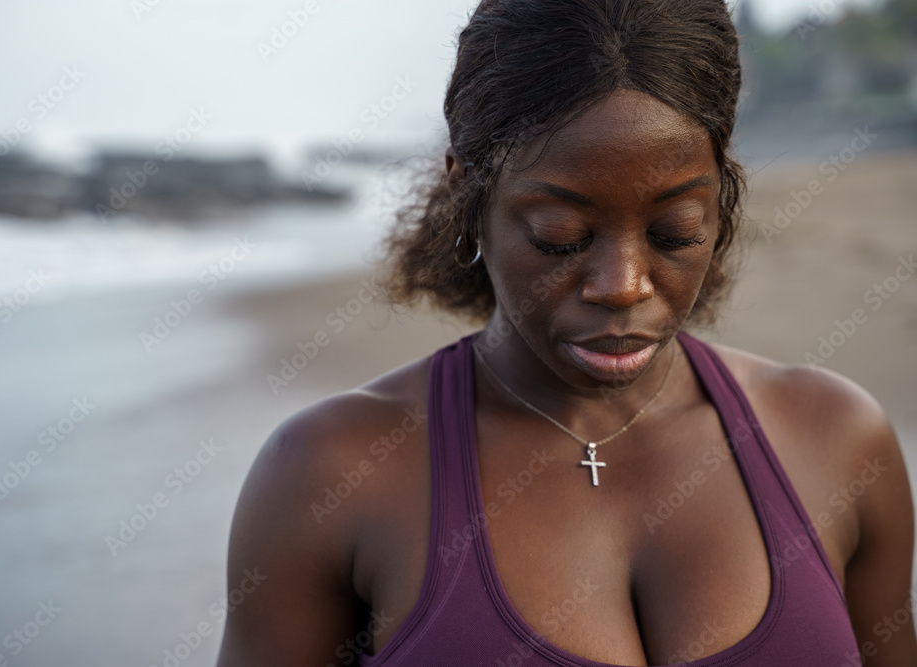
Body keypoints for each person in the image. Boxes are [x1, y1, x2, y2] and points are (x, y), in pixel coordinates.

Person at [216, 1, 917, 664]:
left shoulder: (839, 438)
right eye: (560, 237)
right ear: (467, 192)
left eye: (675, 232)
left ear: (721, 194)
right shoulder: (328, 475)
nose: (623, 284)